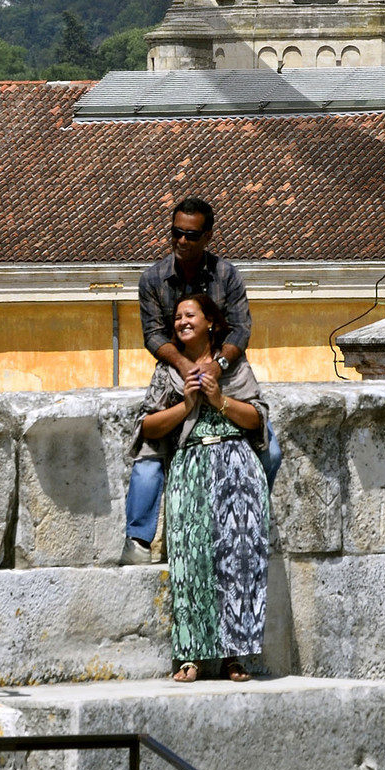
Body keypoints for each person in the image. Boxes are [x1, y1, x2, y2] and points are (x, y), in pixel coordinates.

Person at [126, 197, 280, 558]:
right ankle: (138, 540)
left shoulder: (226, 276)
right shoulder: (153, 278)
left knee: (270, 451)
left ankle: (255, 514)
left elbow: (241, 330)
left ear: (207, 236)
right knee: (149, 459)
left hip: (226, 372)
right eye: (176, 233)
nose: (181, 241)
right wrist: (182, 366)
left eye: (190, 235)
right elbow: (153, 334)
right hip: (174, 376)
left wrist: (217, 367)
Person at [137, 290, 269, 679]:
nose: (181, 322)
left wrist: (219, 398)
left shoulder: (234, 366)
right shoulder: (168, 372)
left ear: (210, 322)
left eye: (189, 315)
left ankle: (234, 655)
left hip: (237, 468)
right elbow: (146, 425)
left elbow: (257, 419)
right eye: (177, 318)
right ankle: (190, 654)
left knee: (240, 558)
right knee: (190, 558)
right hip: (190, 463)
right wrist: (187, 406)